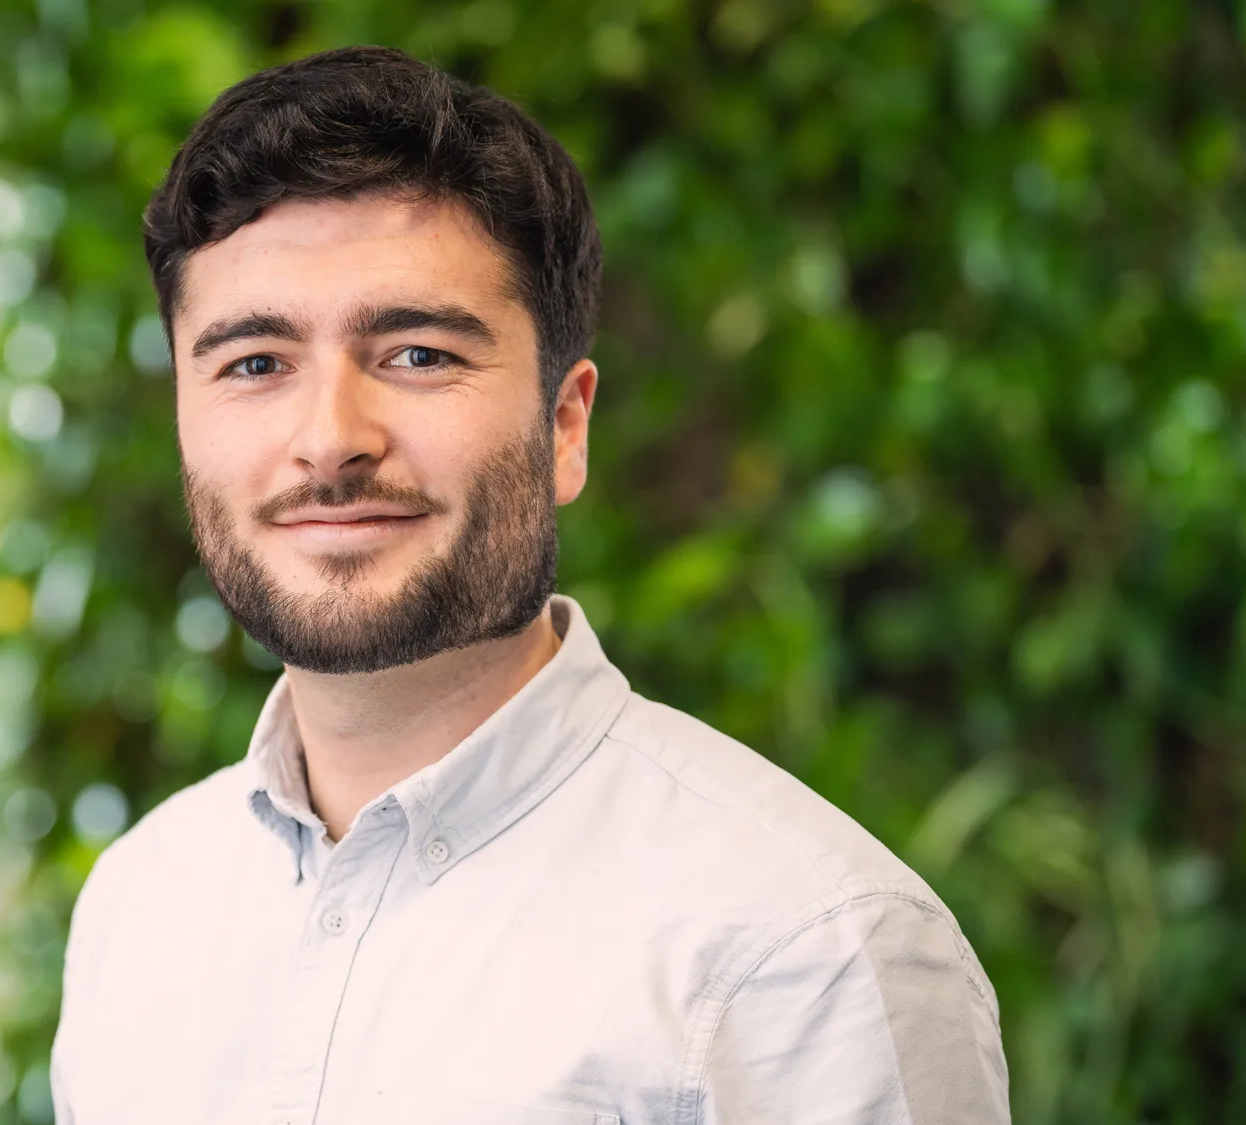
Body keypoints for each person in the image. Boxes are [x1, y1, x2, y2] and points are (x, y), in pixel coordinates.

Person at [50, 45, 1009, 1125]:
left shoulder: (806, 954)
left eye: (416, 354)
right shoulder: (138, 909)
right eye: (253, 364)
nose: (328, 442)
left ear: (563, 427)